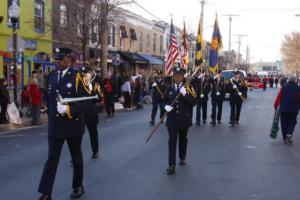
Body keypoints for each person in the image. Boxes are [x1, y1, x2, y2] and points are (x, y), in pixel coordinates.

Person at [37, 48, 89, 200]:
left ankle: (78, 185)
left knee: (76, 157)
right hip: (55, 125)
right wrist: (47, 107)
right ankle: (46, 193)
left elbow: (86, 102)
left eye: (60, 59)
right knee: (51, 159)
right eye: (56, 59)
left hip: (72, 123)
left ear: (69, 59)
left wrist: (69, 109)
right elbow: (51, 97)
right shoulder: (52, 76)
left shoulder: (79, 76)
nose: (57, 62)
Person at [163, 67, 196, 175]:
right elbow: (162, 101)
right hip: (172, 120)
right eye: (176, 76)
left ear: (183, 77)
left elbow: (194, 102)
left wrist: (185, 94)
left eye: (179, 76)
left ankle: (182, 157)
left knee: (183, 140)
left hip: (183, 119)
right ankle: (171, 164)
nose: (177, 78)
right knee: (172, 141)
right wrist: (165, 107)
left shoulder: (188, 87)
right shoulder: (169, 88)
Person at [81, 67, 103, 159]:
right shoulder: (79, 85)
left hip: (91, 112)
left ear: (90, 74)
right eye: (83, 74)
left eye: (87, 73)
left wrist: (95, 97)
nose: (85, 75)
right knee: (78, 135)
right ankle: (76, 155)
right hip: (81, 112)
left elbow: (101, 96)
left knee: (93, 133)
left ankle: (95, 151)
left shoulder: (95, 85)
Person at [274, 76, 300, 144]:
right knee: (292, 122)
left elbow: (279, 97)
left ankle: (285, 138)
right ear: (295, 80)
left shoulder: (284, 87)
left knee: (284, 123)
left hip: (283, 109)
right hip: (294, 109)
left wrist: (276, 105)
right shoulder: (298, 88)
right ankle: (289, 133)